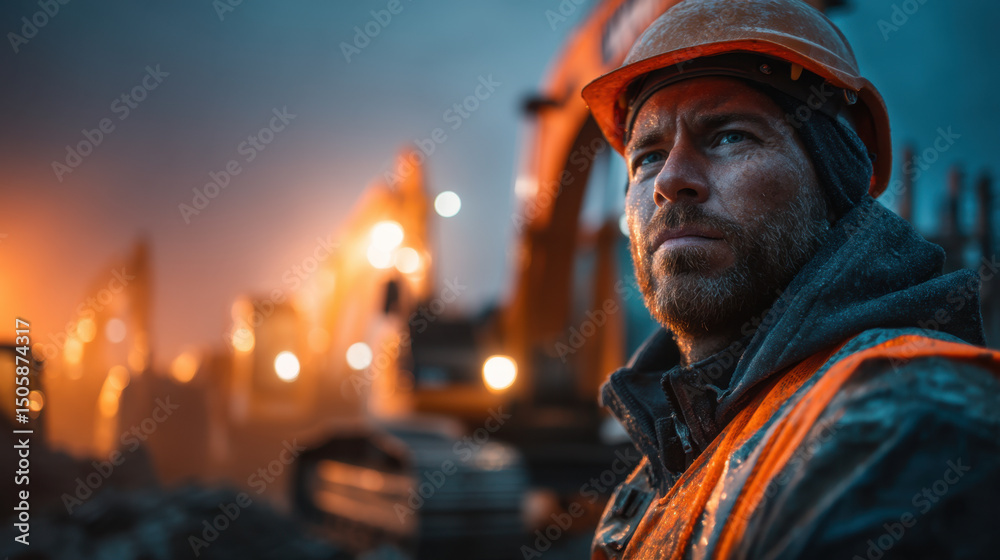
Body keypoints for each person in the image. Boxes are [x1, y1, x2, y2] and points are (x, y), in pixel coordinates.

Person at [580, 0, 1000, 558]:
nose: (671, 180)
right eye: (648, 157)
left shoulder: (904, 419)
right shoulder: (663, 466)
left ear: (834, 185)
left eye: (729, 136)